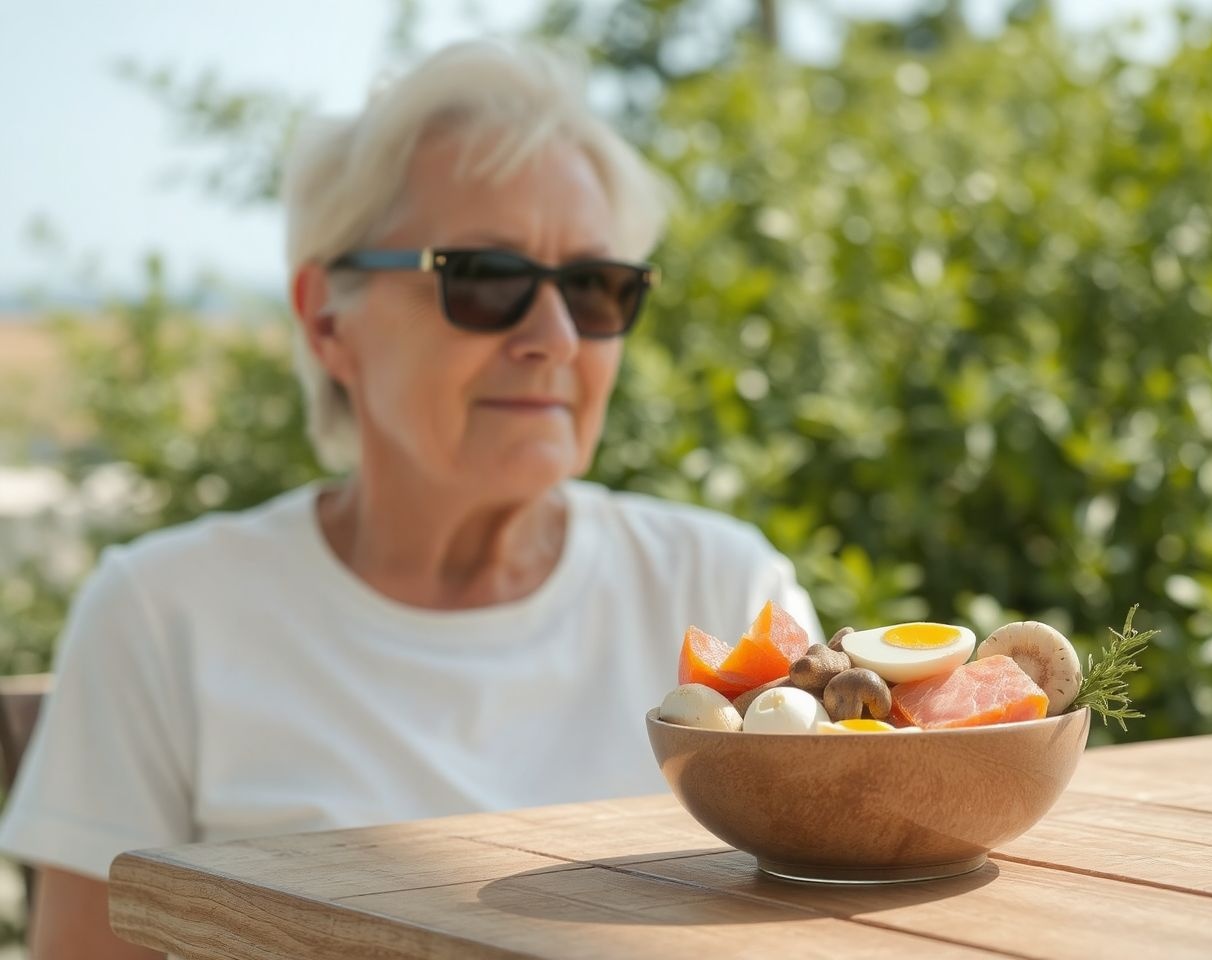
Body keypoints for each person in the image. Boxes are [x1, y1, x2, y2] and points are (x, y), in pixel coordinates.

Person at [0, 39, 820, 958]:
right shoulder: (164, 619)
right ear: (326, 320)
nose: (553, 336)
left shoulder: (718, 586)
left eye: (594, 287)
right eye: (487, 279)